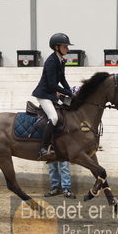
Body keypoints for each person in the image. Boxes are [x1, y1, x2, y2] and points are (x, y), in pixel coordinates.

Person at [32, 33, 74, 161]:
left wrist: (70, 91)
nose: (67, 49)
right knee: (54, 117)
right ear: (57, 47)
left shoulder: (61, 60)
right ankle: (43, 148)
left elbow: (62, 78)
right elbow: (51, 84)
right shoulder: (51, 61)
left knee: (67, 109)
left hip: (52, 93)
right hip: (44, 94)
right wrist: (67, 92)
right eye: (65, 46)